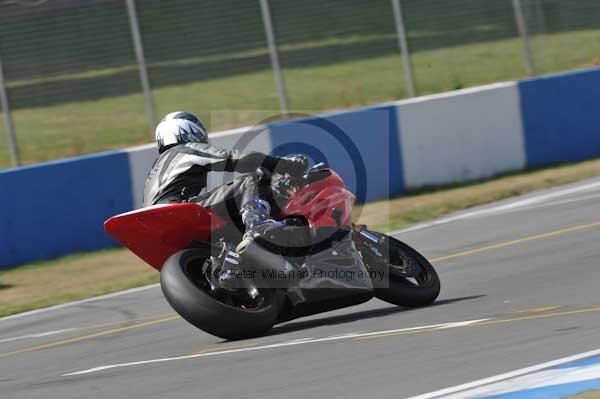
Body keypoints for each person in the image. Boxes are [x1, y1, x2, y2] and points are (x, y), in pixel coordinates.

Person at [143, 111, 308, 242]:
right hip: (179, 208)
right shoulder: (186, 149)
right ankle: (256, 224)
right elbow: (236, 159)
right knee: (251, 179)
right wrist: (283, 164)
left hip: (154, 221)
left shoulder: (156, 168)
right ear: (188, 131)